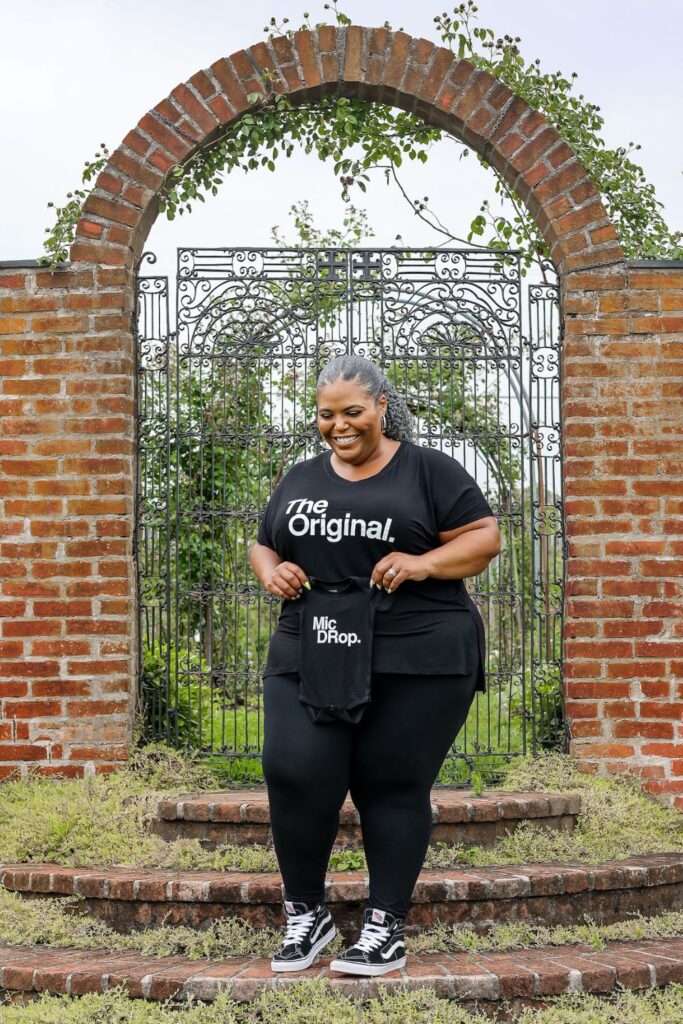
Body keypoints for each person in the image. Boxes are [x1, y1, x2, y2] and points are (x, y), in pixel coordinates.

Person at [248, 354, 501, 977]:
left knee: (389, 783)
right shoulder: (300, 477)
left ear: (382, 407)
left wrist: (421, 564)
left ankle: (385, 928)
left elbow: (483, 537)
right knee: (294, 768)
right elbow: (264, 541)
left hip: (417, 651)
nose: (339, 425)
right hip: (311, 645)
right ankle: (306, 916)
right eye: (326, 414)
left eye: (352, 412)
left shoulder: (429, 470)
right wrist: (269, 570)